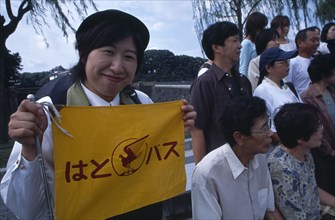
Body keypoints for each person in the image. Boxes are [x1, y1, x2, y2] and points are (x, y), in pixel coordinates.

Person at [0, 9, 196, 219]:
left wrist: (174, 127)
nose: (117, 66)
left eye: (129, 57)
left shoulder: (141, 102)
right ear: (84, 55)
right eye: (108, 52)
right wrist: (30, 149)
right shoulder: (48, 113)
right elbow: (26, 210)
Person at [191, 96, 282, 220]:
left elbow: (269, 210)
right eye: (264, 128)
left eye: (268, 125)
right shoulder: (207, 174)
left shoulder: (260, 159)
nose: (270, 133)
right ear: (239, 137)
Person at [190, 21, 252, 164]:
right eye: (234, 40)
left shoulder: (243, 81)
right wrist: (201, 173)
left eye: (239, 40)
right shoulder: (204, 83)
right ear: (217, 47)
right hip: (220, 165)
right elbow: (197, 130)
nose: (240, 45)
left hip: (247, 161)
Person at [268, 103, 335, 219]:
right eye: (316, 128)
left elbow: (311, 188)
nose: (321, 130)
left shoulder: (305, 152)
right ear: (300, 138)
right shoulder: (282, 169)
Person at [301, 54, 335, 198]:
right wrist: (330, 151)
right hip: (324, 156)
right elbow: (315, 128)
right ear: (324, 74)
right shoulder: (308, 97)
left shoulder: (332, 91)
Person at [253, 47, 300, 148]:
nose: (287, 65)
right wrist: (289, 147)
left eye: (287, 61)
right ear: (268, 68)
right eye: (282, 63)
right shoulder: (262, 90)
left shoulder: (289, 87)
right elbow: (270, 127)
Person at [284, 27, 320, 95]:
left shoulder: (317, 62)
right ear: (300, 42)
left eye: (318, 40)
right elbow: (287, 87)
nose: (317, 43)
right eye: (313, 40)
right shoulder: (292, 63)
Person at [239, 12, 268, 76]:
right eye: (262, 27)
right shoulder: (246, 44)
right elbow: (243, 68)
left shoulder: (257, 42)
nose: (264, 29)